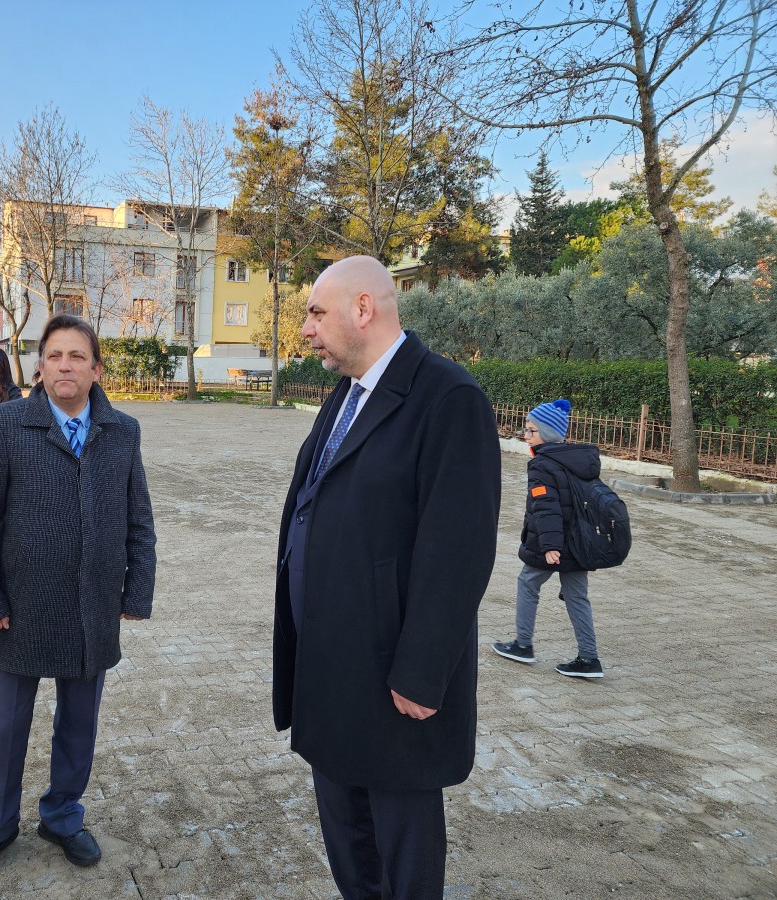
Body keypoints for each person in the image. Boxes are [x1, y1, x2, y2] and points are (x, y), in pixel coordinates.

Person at [273, 256, 501, 900]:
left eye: (317, 313)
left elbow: (458, 550)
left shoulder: (447, 398)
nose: (308, 330)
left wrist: (422, 671)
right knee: (347, 835)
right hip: (329, 661)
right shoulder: (345, 394)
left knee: (400, 839)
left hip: (391, 674)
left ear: (364, 308)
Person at [0, 314, 156, 886]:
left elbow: (138, 519)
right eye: (54, 355)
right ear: (39, 367)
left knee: (79, 723)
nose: (65, 365)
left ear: (96, 369)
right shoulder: (6, 422)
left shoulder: (122, 430)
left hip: (91, 607)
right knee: (7, 725)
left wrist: (135, 589)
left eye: (77, 356)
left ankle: (63, 816)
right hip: (17, 608)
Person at [493, 399, 604, 679]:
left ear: (547, 434)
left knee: (527, 582)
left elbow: (547, 507)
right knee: (578, 597)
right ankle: (589, 659)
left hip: (554, 544)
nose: (525, 435)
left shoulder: (543, 465)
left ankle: (523, 644)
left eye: (530, 430)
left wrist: (551, 546)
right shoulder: (577, 461)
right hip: (579, 542)